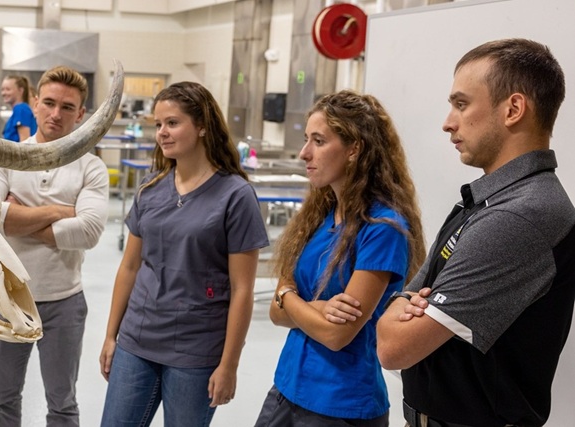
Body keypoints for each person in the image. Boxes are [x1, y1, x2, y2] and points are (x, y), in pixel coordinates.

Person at [375, 38, 574, 427]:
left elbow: (394, 347)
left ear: (513, 109)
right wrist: (403, 305)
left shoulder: (519, 216)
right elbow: (407, 297)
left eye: (461, 104)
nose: (448, 122)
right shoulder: (485, 203)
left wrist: (403, 309)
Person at [99, 81, 269, 427]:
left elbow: (242, 290)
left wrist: (229, 365)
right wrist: (111, 335)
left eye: (173, 123)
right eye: (158, 124)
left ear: (202, 126)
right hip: (138, 338)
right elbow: (129, 267)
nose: (162, 132)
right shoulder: (150, 188)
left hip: (196, 349)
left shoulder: (235, 196)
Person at [253, 90, 426, 426]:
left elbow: (337, 335)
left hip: (340, 403)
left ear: (353, 149)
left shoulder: (383, 229)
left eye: (318, 141)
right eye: (307, 140)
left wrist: (288, 296)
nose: (304, 153)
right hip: (287, 387)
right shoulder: (319, 216)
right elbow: (275, 313)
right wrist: (311, 306)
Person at [0, 65, 109, 427]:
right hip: (6, 298)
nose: (56, 114)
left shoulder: (91, 167)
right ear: (34, 103)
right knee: (3, 399)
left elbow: (89, 231)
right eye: (49, 103)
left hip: (64, 302)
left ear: (81, 114)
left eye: (67, 107)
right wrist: (59, 212)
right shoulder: (4, 155)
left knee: (62, 403)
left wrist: (17, 217)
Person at [0, 75, 37, 142]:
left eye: (8, 89)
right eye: (2, 89)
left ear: (20, 90)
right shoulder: (20, 109)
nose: (4, 93)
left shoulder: (21, 109)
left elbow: (25, 142)